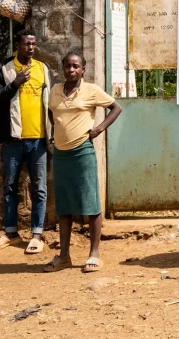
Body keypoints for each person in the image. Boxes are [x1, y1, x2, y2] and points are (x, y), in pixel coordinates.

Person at [43, 52, 123, 273]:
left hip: (82, 153)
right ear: (62, 68)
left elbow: (116, 108)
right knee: (64, 205)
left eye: (76, 66)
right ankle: (64, 256)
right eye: (67, 66)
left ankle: (94, 254)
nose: (71, 70)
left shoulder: (91, 90)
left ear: (83, 70)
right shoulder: (55, 91)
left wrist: (98, 129)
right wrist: (55, 132)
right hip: (60, 154)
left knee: (91, 203)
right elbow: (52, 113)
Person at [0, 29, 52, 254]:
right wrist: (15, 83)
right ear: (18, 45)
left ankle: (36, 233)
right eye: (26, 44)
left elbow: (49, 102)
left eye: (33, 44)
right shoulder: (4, 69)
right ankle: (11, 233)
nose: (31, 48)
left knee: (39, 188)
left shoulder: (43, 68)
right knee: (9, 187)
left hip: (38, 139)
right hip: (12, 138)